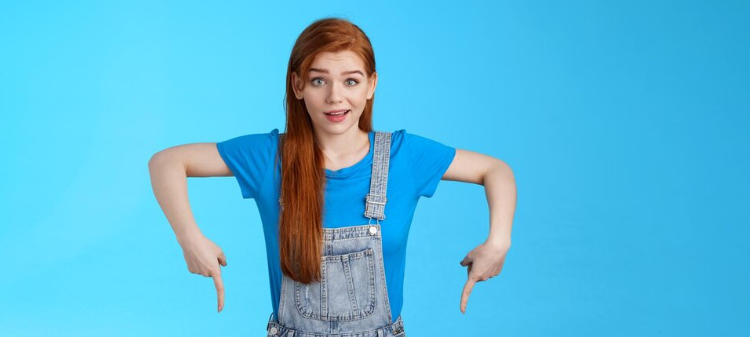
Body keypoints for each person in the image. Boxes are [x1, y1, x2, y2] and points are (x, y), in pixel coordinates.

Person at [148, 17, 516, 336]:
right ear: (298, 86)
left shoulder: (405, 157)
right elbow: (166, 162)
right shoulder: (268, 157)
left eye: (351, 81)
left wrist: (498, 242)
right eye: (319, 81)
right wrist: (190, 239)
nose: (335, 97)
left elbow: (495, 170)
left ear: (371, 86)